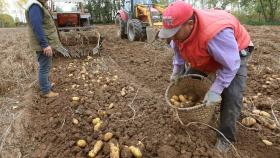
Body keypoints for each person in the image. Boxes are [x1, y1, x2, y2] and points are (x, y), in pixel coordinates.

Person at [159, 1, 253, 153]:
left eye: (175, 33)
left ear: (190, 24)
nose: (173, 37)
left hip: (235, 52)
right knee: (188, 80)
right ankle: (194, 114)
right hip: (207, 51)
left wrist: (216, 89)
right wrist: (177, 70)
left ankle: (225, 137)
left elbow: (231, 65)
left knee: (232, 95)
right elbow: (178, 51)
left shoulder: (216, 34)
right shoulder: (178, 32)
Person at [24, 0, 69, 97]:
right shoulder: (35, 6)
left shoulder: (39, 5)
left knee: (46, 65)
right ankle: (46, 91)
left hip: (45, 42)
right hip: (43, 44)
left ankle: (46, 84)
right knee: (44, 67)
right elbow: (37, 26)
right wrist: (44, 45)